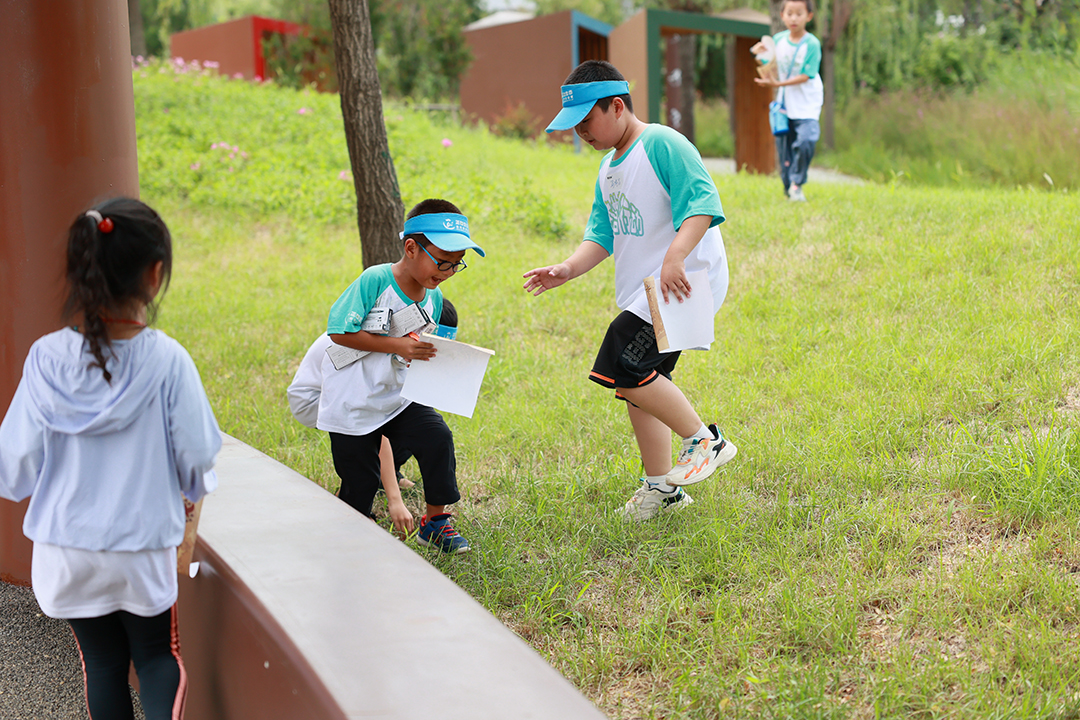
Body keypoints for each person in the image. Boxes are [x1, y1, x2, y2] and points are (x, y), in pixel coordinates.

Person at [0, 198, 221, 719]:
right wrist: (189, 498)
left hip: (66, 552)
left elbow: (13, 469)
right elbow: (196, 459)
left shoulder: (45, 358)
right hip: (141, 548)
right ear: (155, 274)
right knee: (156, 657)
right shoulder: (167, 360)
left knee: (101, 665)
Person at [525, 60, 737, 522]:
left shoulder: (662, 143)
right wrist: (567, 269)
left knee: (625, 359)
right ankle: (662, 489)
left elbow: (702, 204)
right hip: (650, 288)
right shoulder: (608, 168)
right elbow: (602, 235)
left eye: (587, 120)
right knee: (639, 384)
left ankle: (706, 441)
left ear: (617, 106)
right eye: (575, 125)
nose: (581, 132)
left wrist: (675, 257)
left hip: (684, 280)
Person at [319, 199, 483, 553]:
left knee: (437, 438)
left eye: (457, 264)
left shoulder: (434, 297)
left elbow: (417, 346)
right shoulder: (376, 280)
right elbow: (339, 332)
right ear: (411, 248)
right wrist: (397, 346)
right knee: (361, 482)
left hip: (397, 398)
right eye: (443, 261)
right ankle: (352, 535)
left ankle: (435, 523)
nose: (448, 271)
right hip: (352, 401)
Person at [286, 299, 460, 528]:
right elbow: (374, 420)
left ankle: (389, 476)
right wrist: (395, 500)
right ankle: (355, 505)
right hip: (314, 398)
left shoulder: (399, 332)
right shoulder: (376, 338)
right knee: (371, 441)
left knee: (420, 420)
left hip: (354, 393)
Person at [754, 0, 823, 202]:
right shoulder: (778, 40)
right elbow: (769, 66)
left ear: (809, 16)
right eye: (789, 13)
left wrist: (776, 84)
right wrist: (758, 55)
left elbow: (806, 75)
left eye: (799, 13)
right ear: (782, 15)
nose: (794, 18)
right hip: (785, 103)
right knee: (785, 149)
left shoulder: (812, 44)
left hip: (808, 103)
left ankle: (797, 183)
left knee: (806, 140)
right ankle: (789, 189)